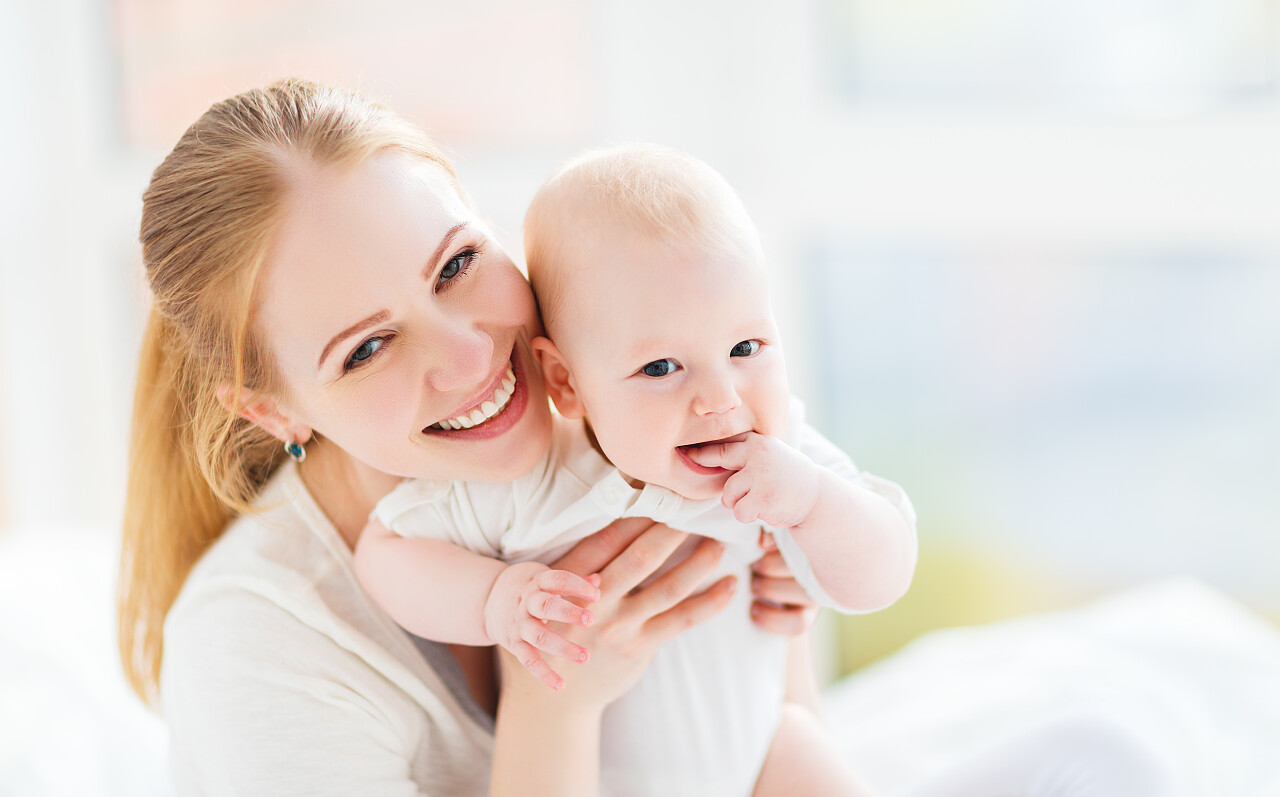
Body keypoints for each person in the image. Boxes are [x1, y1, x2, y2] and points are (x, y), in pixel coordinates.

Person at [117, 78, 828, 797]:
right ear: (272, 412)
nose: (470, 358)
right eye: (367, 348)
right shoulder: (256, 652)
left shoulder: (632, 401)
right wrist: (554, 701)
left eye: (456, 265)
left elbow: (782, 745)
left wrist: (776, 598)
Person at [352, 144, 918, 796]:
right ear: (567, 381)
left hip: (766, 764)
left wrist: (816, 503)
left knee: (806, 749)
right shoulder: (535, 480)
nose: (721, 398)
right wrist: (492, 600)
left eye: (744, 347)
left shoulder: (782, 459)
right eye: (661, 368)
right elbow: (385, 549)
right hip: (605, 779)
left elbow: (885, 570)